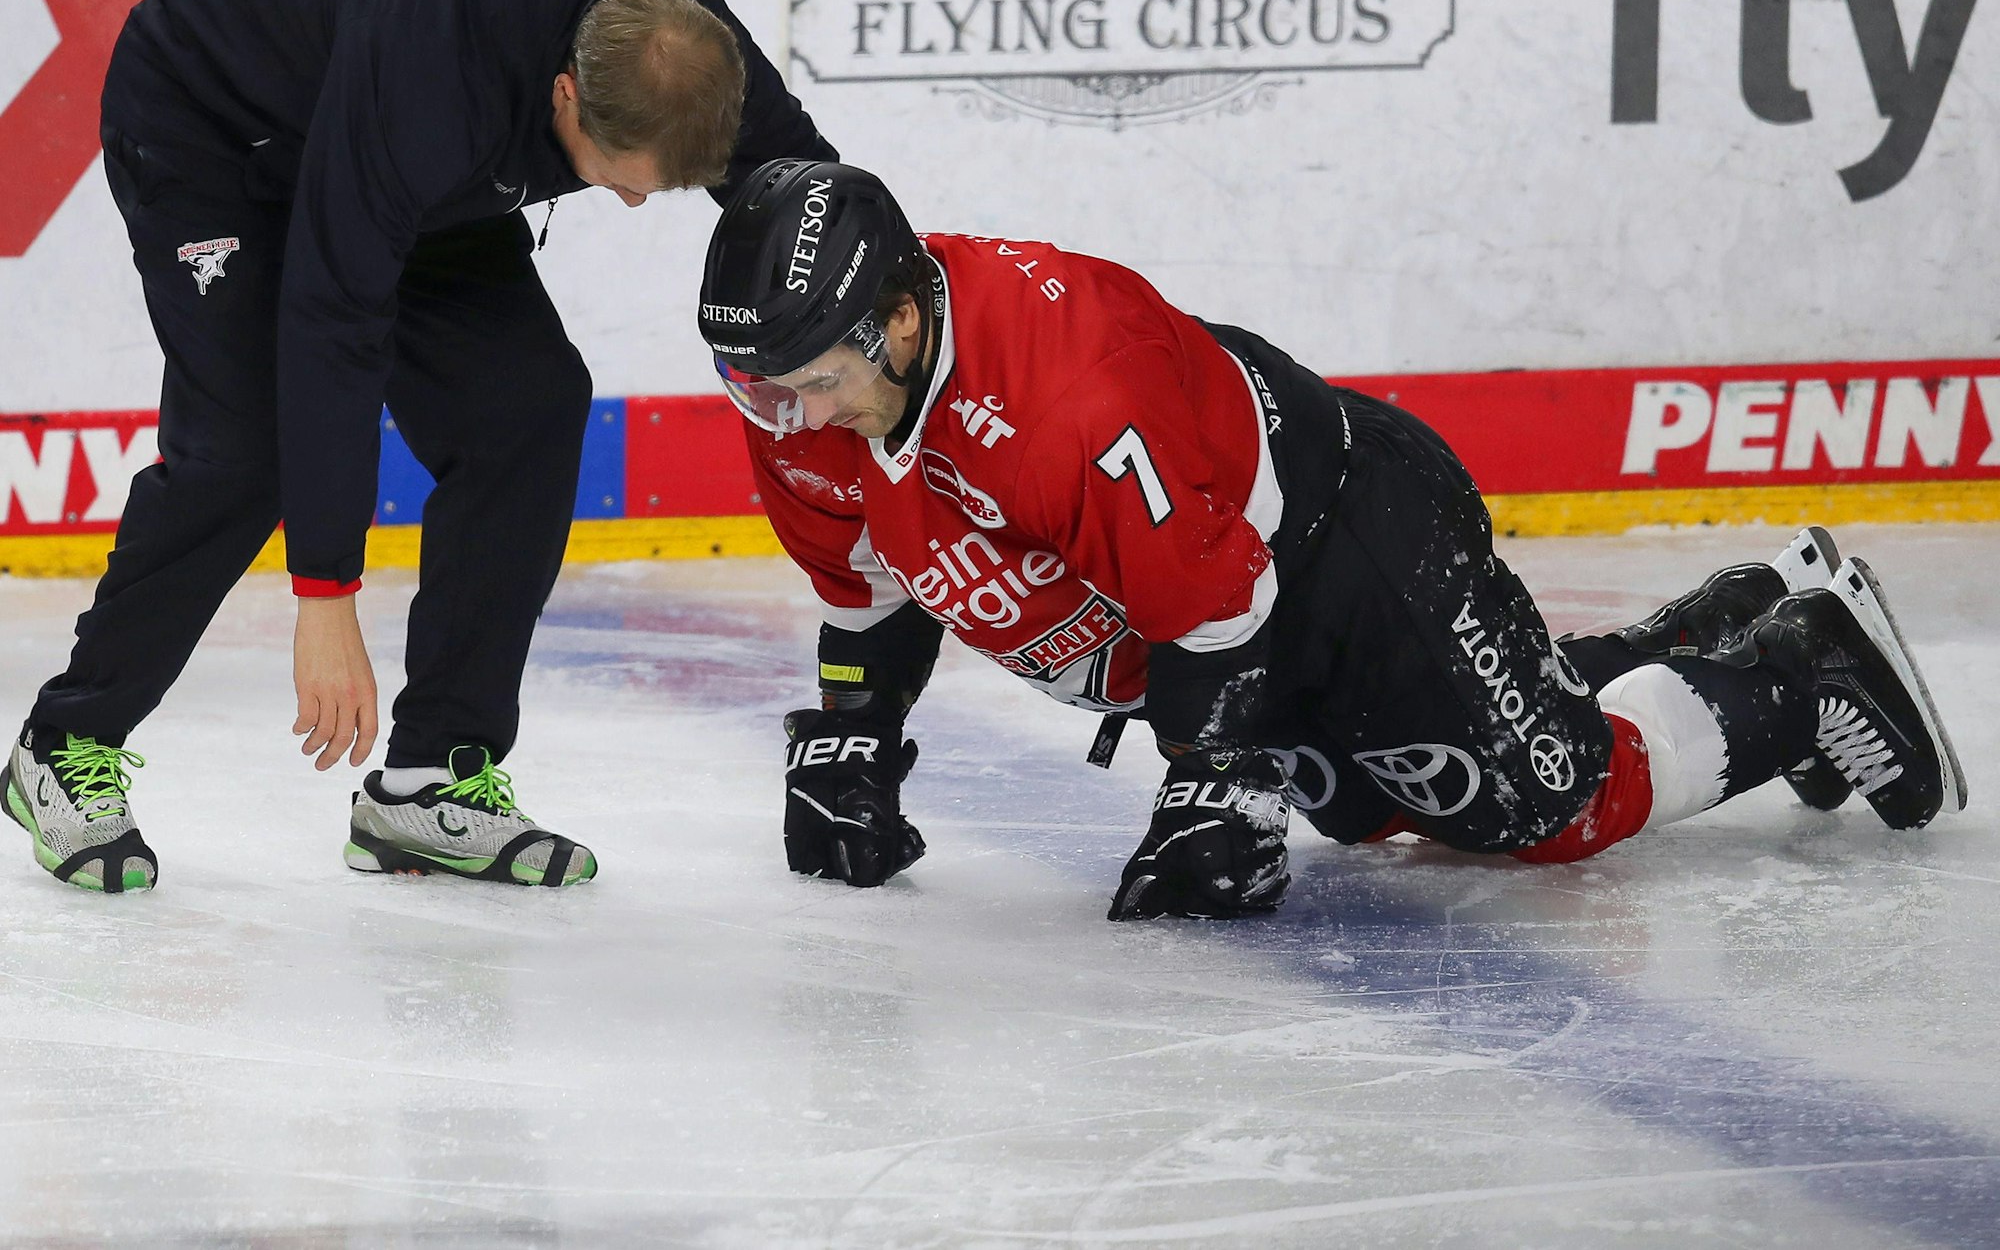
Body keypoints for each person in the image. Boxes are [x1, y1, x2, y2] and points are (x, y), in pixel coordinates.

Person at [693, 160, 1966, 918]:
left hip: (1342, 549)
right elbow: (869, 578)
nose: (779, 418)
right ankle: (1696, 631)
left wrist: (1209, 781)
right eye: (751, 386)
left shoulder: (1065, 397)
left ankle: (1804, 671)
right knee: (1386, 814)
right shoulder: (808, 396)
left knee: (1543, 803)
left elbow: (1208, 610)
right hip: (1225, 594)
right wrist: (853, 736)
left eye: (797, 381)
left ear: (901, 326)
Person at [3, 0, 834, 894]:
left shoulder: (688, 44)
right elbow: (332, 317)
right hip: (215, 123)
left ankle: (432, 781)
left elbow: (812, 201)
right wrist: (325, 592)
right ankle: (64, 743)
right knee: (248, 450)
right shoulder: (430, 76)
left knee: (526, 408)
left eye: (655, 183)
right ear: (564, 92)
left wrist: (906, 340)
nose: (627, 200)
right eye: (616, 168)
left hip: (403, 145)